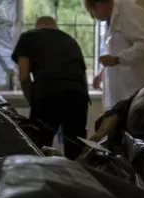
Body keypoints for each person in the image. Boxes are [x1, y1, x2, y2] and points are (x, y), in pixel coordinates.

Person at [11, 16, 89, 159]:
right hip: (77, 97)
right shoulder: (70, 40)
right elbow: (83, 78)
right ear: (55, 27)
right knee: (75, 150)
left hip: (48, 95)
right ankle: (76, 180)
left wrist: (32, 100)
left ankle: (42, 179)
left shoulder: (28, 37)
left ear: (37, 26)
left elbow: (23, 76)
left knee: (39, 148)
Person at [84, 0, 144, 108]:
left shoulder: (131, 13)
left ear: (99, 6)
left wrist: (117, 59)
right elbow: (116, 50)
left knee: (134, 121)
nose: (93, 17)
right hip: (121, 89)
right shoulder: (111, 20)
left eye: (92, 12)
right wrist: (102, 74)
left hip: (135, 85)